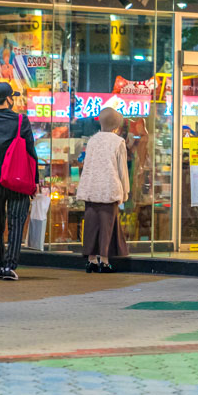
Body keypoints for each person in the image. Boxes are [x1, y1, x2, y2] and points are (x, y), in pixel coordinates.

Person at [0, 82, 39, 280]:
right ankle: (10, 266)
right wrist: (35, 181)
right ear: (9, 99)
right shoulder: (21, 120)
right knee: (16, 222)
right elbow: (30, 151)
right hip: (18, 180)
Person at [76, 107, 131, 273]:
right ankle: (105, 262)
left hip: (91, 188)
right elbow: (122, 169)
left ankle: (91, 260)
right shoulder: (118, 142)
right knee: (107, 226)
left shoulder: (92, 140)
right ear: (117, 125)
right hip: (109, 188)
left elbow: (88, 164)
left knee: (91, 225)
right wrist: (125, 191)